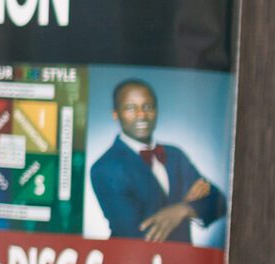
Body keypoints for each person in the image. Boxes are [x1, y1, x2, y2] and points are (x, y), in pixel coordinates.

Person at [90, 77, 227, 243]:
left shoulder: (176, 156)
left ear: (156, 111)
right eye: (131, 108)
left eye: (148, 107)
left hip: (182, 257)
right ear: (115, 114)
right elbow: (135, 234)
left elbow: (219, 202)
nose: (141, 114)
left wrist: (183, 209)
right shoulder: (105, 167)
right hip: (131, 259)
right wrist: (188, 204)